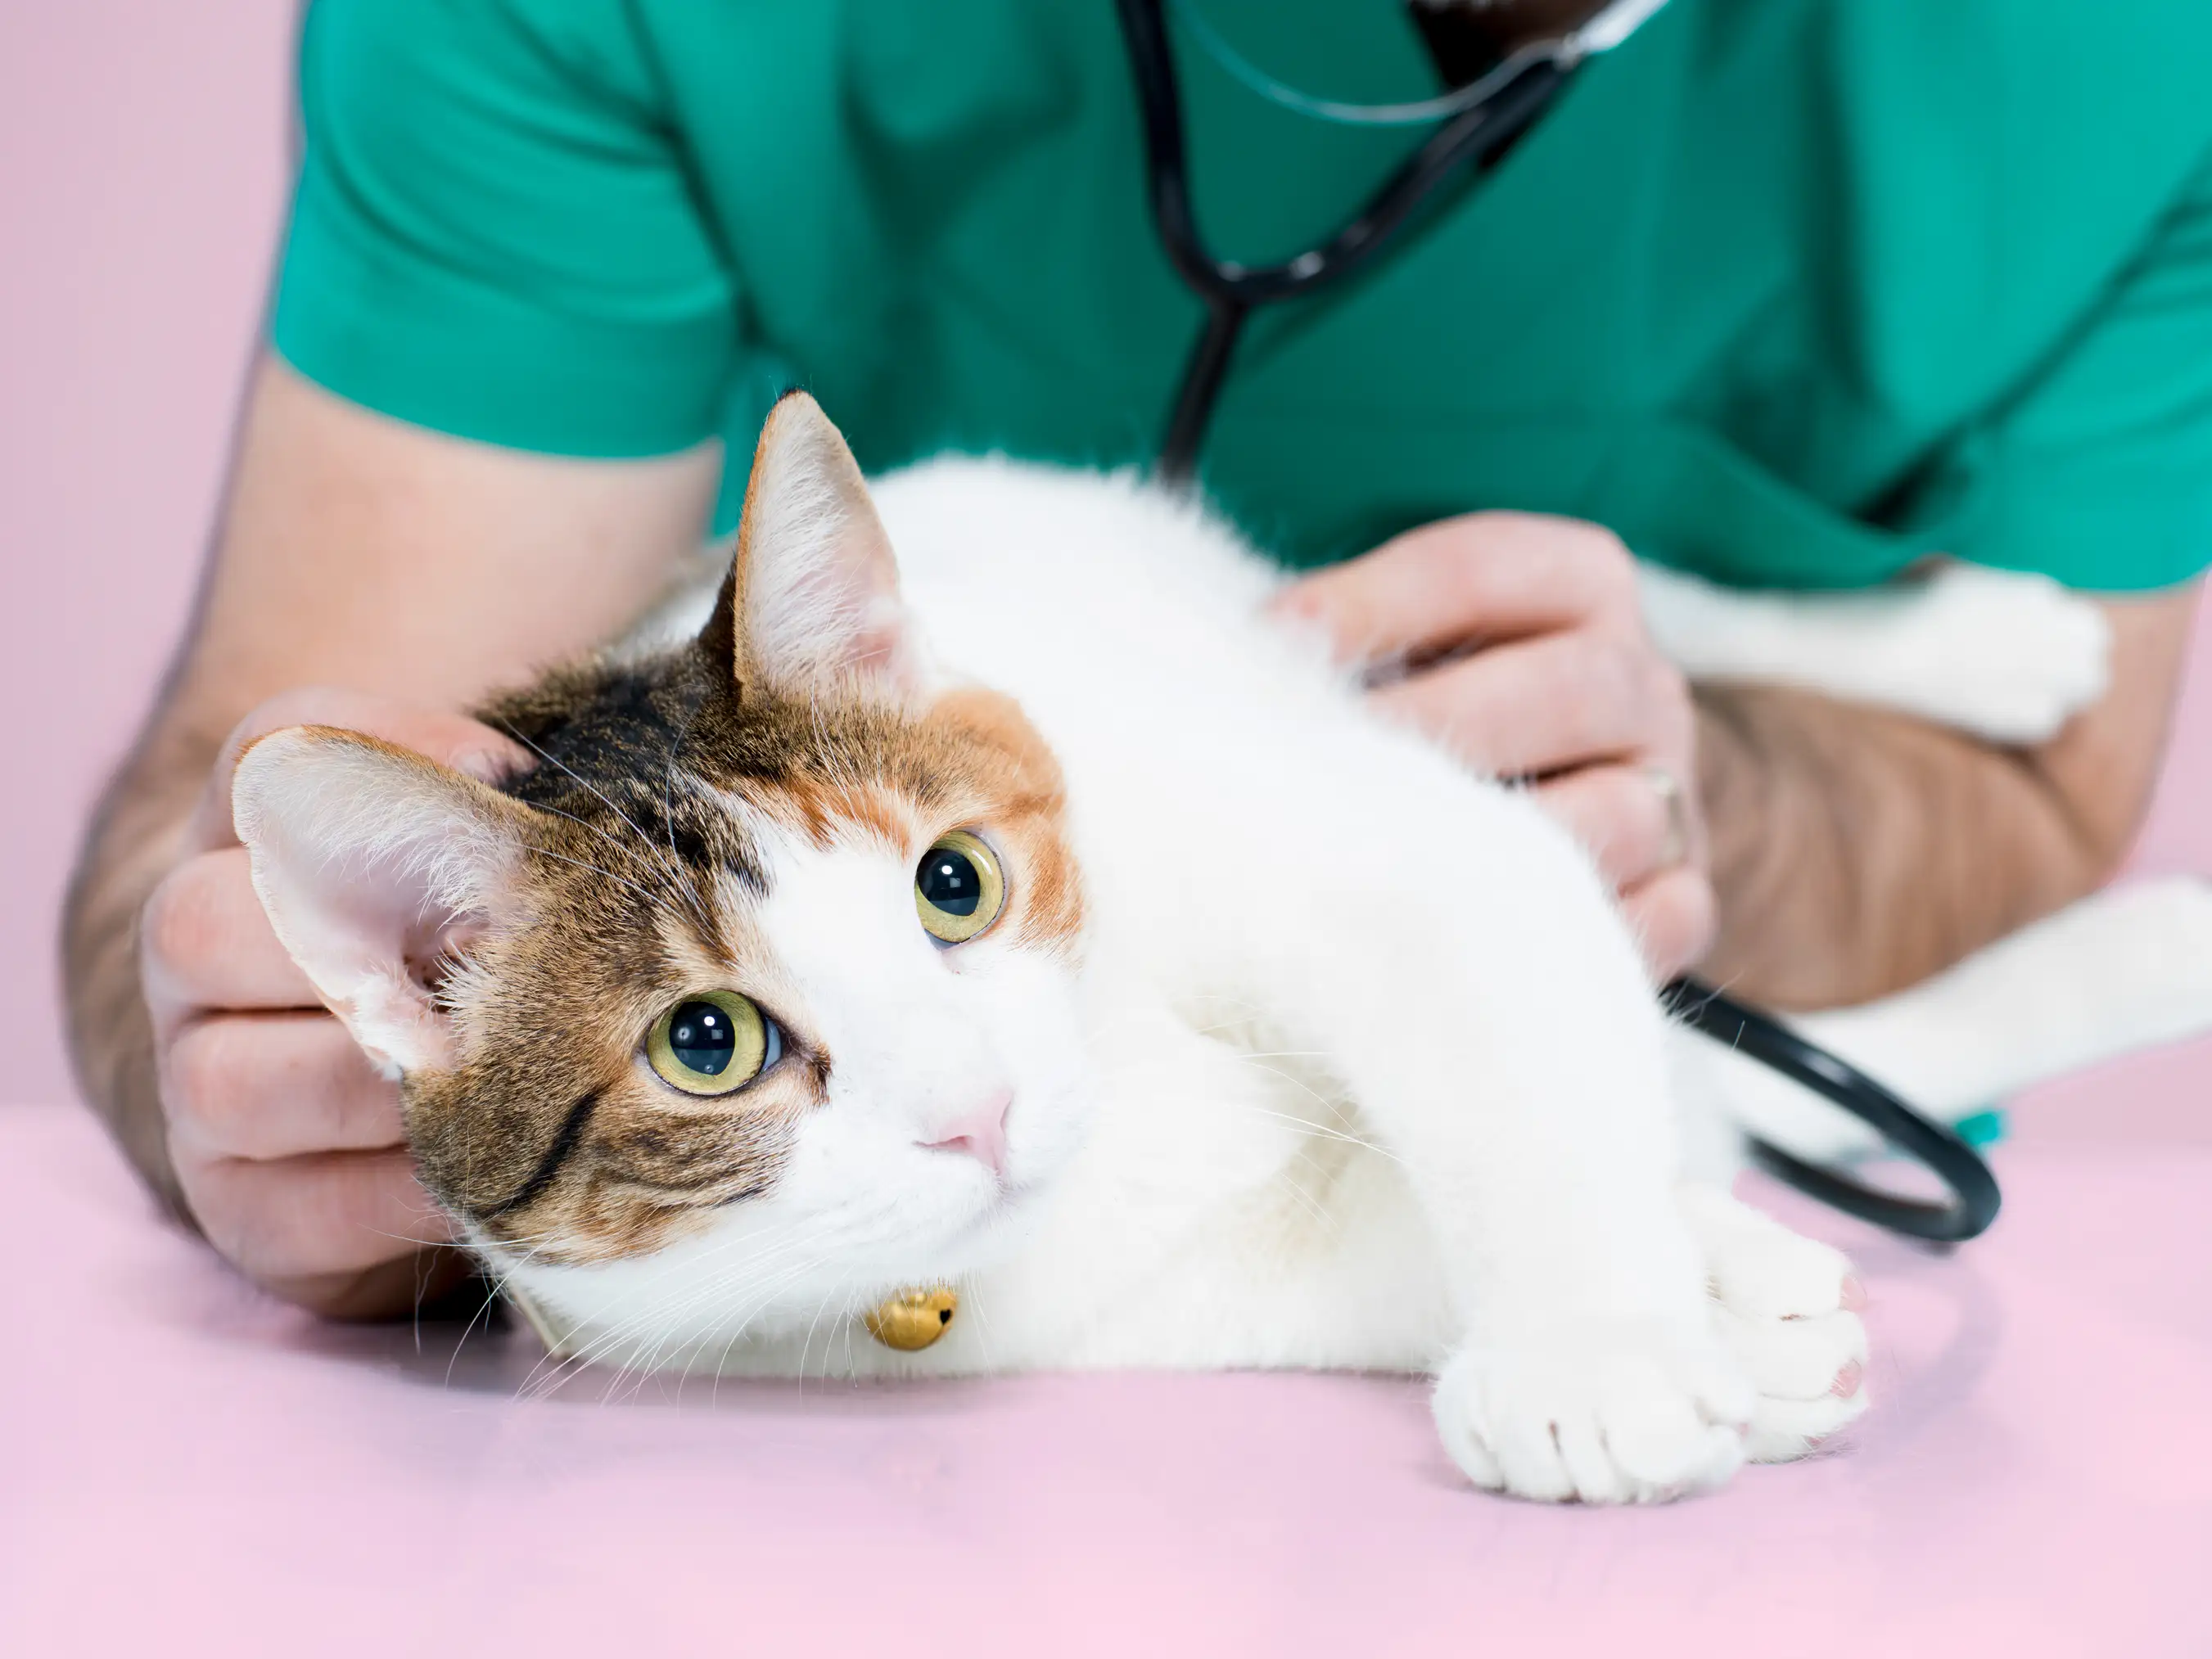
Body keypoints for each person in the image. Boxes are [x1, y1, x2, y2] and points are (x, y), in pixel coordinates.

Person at [62, 0, 2209, 1318]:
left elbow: (2046, 797)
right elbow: (248, 809)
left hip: (1784, 1252)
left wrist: (1700, 813)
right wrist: (280, 1083)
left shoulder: (2131, 63)